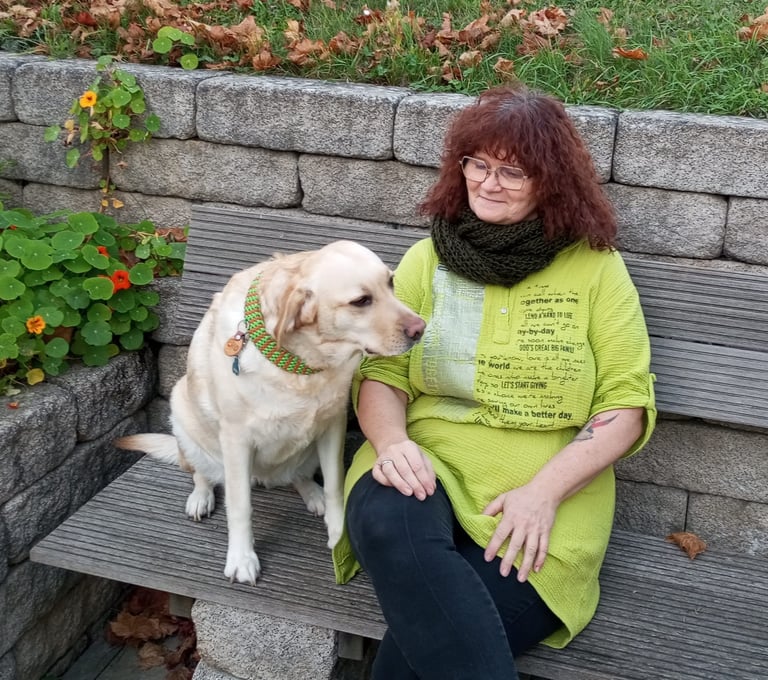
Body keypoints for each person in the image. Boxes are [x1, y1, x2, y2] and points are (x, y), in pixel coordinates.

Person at [331, 84, 657, 680]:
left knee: (419, 655)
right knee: (385, 521)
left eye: (511, 171)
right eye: (478, 164)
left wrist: (543, 494)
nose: (487, 182)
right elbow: (384, 372)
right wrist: (394, 444)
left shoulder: (596, 268)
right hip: (425, 457)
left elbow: (626, 403)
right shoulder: (427, 260)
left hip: (544, 485)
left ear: (549, 182)